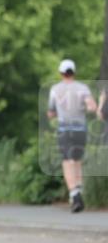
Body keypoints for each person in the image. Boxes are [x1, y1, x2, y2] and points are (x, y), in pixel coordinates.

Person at [47, 59, 97, 213]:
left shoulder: (55, 90)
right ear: (74, 72)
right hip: (80, 129)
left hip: (64, 129)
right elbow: (92, 107)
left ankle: (74, 195)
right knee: (77, 160)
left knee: (67, 161)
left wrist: (56, 113)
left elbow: (50, 113)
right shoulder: (82, 88)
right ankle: (78, 191)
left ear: (61, 73)